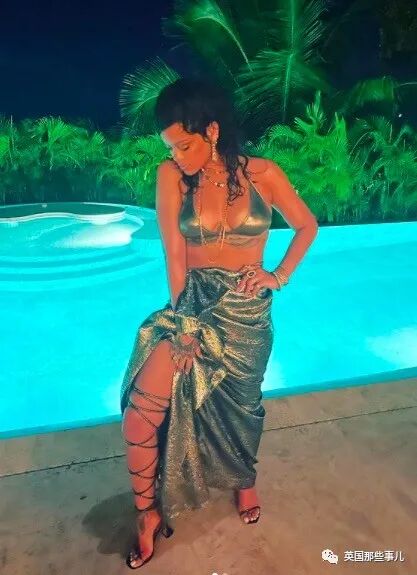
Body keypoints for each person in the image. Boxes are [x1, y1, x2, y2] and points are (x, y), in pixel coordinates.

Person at [120, 77, 318, 569]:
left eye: (184, 145)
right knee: (139, 414)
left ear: (211, 130)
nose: (177, 156)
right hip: (194, 307)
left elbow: (307, 225)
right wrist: (184, 323)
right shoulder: (172, 177)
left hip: (247, 316)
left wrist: (277, 276)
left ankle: (243, 480)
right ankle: (147, 513)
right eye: (171, 147)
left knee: (243, 407)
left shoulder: (264, 174)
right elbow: (175, 254)